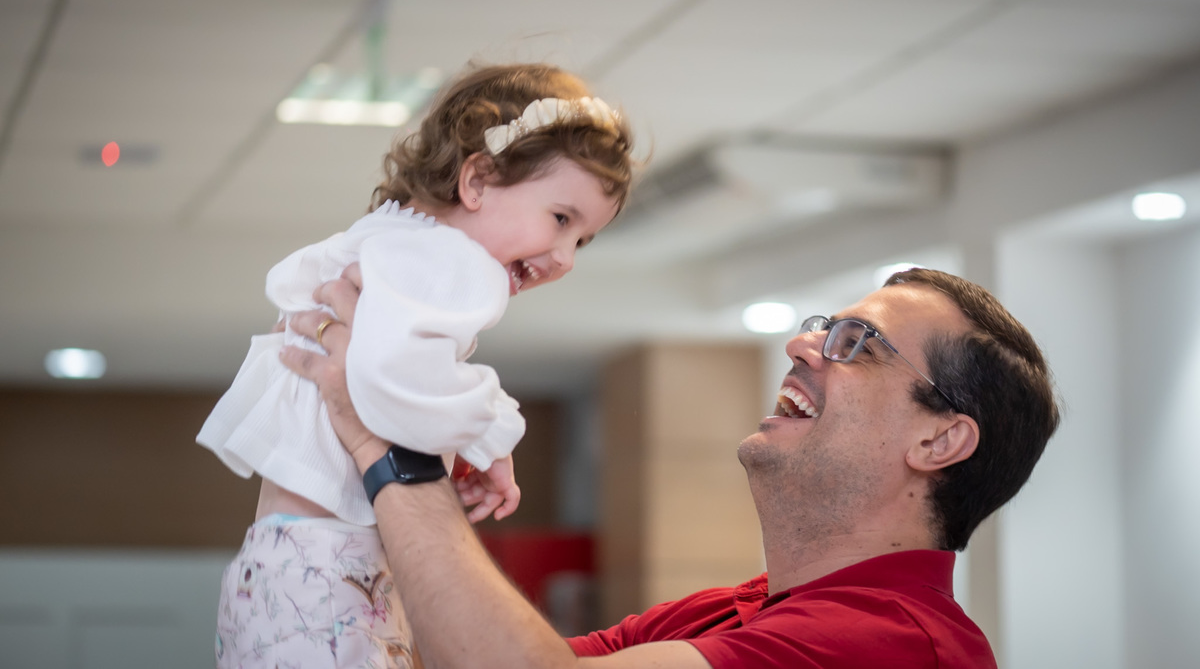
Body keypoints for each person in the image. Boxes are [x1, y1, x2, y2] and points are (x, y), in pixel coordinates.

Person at [279, 266, 1060, 668]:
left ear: (939, 440)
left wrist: (391, 452)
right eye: (824, 327)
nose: (801, 345)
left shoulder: (894, 645)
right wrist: (411, 428)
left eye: (857, 344)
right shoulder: (733, 611)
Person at [196, 62, 636, 668]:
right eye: (561, 219)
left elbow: (387, 374)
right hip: (335, 568)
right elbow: (390, 380)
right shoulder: (459, 266)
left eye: (582, 240)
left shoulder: (383, 238)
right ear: (477, 180)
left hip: (276, 558)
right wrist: (493, 434)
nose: (565, 258)